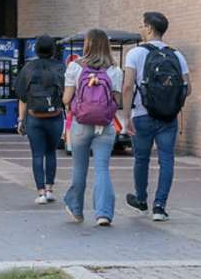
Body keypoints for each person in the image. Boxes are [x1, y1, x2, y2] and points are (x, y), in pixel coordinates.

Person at [122, 11, 191, 222]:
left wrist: (126, 117)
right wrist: (171, 104)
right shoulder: (176, 55)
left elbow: (127, 87)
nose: (140, 29)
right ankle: (160, 206)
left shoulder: (135, 54)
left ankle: (141, 200)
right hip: (168, 117)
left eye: (141, 25)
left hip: (142, 114)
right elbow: (187, 88)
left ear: (149, 28)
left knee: (141, 159)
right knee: (166, 160)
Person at [62, 29, 124, 226]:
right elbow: (117, 101)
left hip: (80, 124)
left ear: (86, 45)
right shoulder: (114, 70)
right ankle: (103, 214)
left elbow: (65, 98)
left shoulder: (74, 67)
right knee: (102, 169)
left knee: (79, 169)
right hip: (105, 126)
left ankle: (77, 211)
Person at [14, 35, 66, 205]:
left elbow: (22, 97)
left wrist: (21, 120)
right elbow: (67, 94)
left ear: (36, 49)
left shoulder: (28, 68)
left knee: (37, 155)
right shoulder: (60, 67)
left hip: (34, 118)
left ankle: (41, 193)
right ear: (53, 49)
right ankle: (50, 189)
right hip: (55, 117)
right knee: (51, 152)